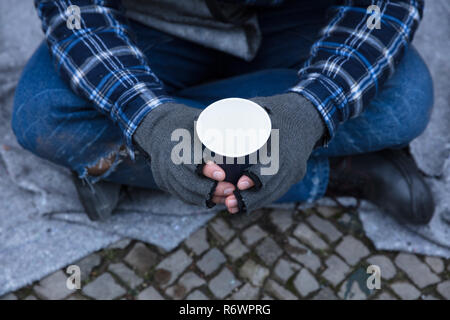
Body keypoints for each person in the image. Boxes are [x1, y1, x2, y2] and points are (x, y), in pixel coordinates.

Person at [12, 0, 434, 224]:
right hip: (152, 26)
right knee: (43, 115)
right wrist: (149, 117)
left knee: (407, 99)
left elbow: (384, 5)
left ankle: (121, 159)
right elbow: (75, 9)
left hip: (297, 20)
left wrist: (310, 109)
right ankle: (331, 170)